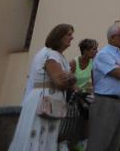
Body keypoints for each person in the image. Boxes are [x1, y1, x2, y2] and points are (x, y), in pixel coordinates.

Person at [9, 23, 75, 151]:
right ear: (59, 36)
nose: (72, 38)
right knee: (37, 135)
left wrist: (71, 77)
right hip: (43, 100)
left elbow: (70, 81)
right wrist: (71, 77)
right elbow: (60, 82)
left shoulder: (60, 57)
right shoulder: (51, 55)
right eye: (69, 34)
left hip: (53, 101)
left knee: (47, 137)